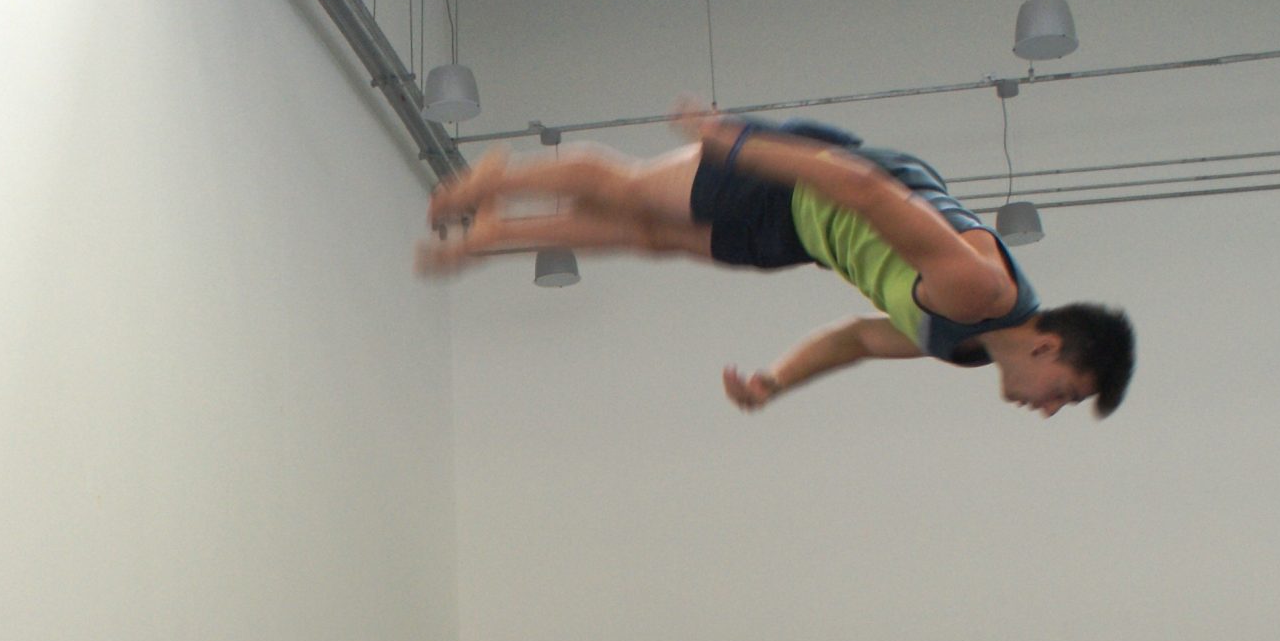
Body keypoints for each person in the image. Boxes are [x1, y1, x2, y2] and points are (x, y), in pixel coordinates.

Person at [420, 103, 1134, 420]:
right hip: (808, 176)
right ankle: (498, 180)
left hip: (801, 236)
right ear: (1046, 344)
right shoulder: (977, 287)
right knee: (632, 190)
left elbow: (854, 339)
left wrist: (776, 380)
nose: (1047, 410)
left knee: (653, 238)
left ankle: (489, 237)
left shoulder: (964, 346)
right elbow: (861, 186)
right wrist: (730, 143)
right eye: (1062, 393)